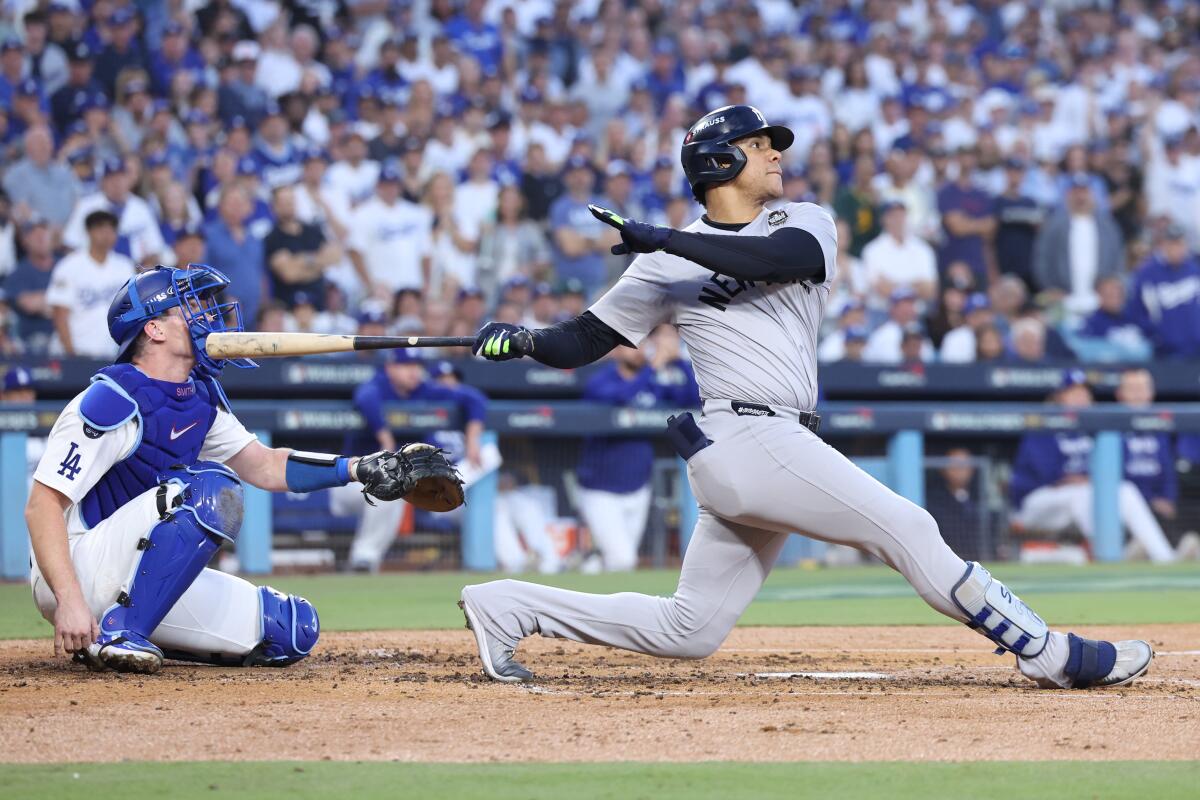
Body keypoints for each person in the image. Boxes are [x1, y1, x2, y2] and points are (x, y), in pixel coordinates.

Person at [460, 104, 1152, 690]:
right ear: (716, 163)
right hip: (746, 437)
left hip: (770, 443)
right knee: (909, 529)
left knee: (690, 629)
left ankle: (508, 606)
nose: (773, 157)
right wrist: (518, 340)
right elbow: (581, 340)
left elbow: (777, 262)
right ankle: (1047, 653)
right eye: (757, 147)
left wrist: (665, 239)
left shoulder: (801, 220)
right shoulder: (663, 261)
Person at [25, 264, 457, 673]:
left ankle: (126, 625)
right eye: (190, 307)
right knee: (212, 488)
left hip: (133, 575)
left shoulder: (197, 396)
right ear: (153, 329)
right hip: (79, 568)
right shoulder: (112, 399)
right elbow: (41, 506)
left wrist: (358, 467)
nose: (206, 317)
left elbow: (266, 466)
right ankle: (122, 633)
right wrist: (69, 599)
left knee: (291, 629)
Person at [332, 349, 485, 573]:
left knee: (392, 489)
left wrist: (473, 439)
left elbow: (474, 399)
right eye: (406, 365)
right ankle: (364, 559)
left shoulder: (423, 390)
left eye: (417, 365)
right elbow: (365, 398)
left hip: (386, 485)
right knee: (389, 487)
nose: (413, 371)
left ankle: (364, 562)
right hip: (347, 482)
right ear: (390, 368)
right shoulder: (378, 385)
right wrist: (384, 436)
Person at [1010, 370, 1176, 564]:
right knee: (1083, 492)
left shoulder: (1093, 428)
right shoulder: (1045, 424)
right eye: (1074, 393)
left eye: (1084, 393)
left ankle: (1164, 557)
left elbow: (1117, 472)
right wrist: (1086, 480)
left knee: (1125, 490)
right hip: (1036, 504)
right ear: (1060, 396)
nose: (1081, 398)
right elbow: (1050, 476)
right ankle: (1109, 555)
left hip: (1080, 499)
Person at [576, 333, 700, 571]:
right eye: (633, 345)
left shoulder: (653, 381)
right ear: (616, 350)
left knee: (621, 562)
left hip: (638, 486)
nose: (640, 350)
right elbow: (624, 396)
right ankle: (593, 563)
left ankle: (593, 563)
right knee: (623, 561)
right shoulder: (601, 381)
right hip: (599, 488)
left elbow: (693, 399)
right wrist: (654, 368)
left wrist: (678, 362)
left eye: (643, 344)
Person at [1115, 368, 1186, 555]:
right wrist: (1151, 499)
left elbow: (1168, 469)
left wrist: (1168, 497)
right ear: (1120, 394)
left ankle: (1175, 548)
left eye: (1143, 388)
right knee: (1130, 500)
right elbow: (1115, 475)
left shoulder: (1160, 426)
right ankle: (1166, 553)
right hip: (1127, 504)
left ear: (1151, 392)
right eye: (1133, 388)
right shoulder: (1111, 427)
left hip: (1159, 504)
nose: (1139, 394)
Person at [47, 210, 136, 358]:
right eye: (101, 229)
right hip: (74, 353)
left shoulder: (125, 266)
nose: (107, 235)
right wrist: (71, 354)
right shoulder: (69, 265)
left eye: (111, 230)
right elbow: (60, 314)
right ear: (89, 231)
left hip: (111, 355)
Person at [1032, 174, 1124, 317]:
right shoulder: (1053, 226)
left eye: (1084, 192)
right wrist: (1050, 288)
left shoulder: (1108, 226)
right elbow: (1041, 260)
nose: (1080, 197)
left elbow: (1118, 259)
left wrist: (1110, 289)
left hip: (1099, 303)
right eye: (1076, 192)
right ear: (1068, 195)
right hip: (1063, 302)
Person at [1126, 224, 1200, 359]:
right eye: (1172, 244)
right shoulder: (1147, 274)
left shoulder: (1194, 269)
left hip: (1197, 349)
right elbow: (1136, 312)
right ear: (1163, 245)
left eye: (1180, 244)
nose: (1177, 249)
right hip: (1165, 353)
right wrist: (1157, 337)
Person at [860, 201, 937, 308]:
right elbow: (881, 289)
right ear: (884, 219)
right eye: (893, 216)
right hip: (883, 313)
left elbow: (929, 289)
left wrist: (894, 284)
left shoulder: (922, 248)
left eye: (902, 215)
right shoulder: (872, 250)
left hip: (916, 314)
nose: (899, 220)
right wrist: (914, 285)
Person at [926, 447, 992, 562]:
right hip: (947, 561)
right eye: (955, 465)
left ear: (971, 469)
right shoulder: (934, 502)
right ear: (944, 469)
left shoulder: (981, 499)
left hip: (980, 561)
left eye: (963, 465)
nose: (959, 470)